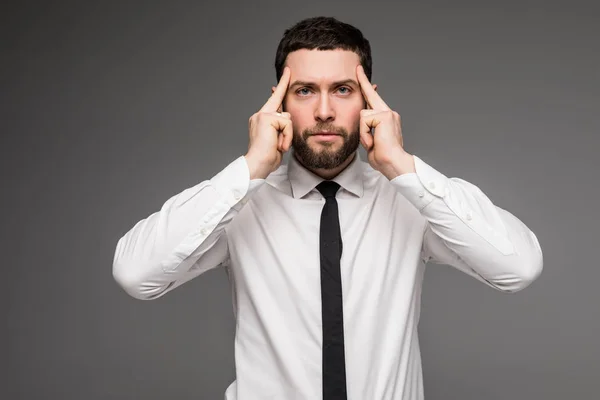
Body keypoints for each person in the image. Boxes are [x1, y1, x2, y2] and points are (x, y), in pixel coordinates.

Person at [113, 16, 543, 400]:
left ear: (370, 101)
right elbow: (137, 275)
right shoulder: (240, 204)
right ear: (279, 104)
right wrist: (248, 170)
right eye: (304, 91)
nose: (323, 111)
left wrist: (402, 166)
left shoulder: (410, 200)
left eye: (342, 90)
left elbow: (518, 268)